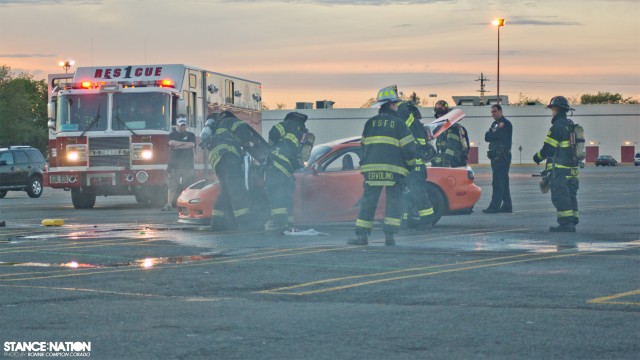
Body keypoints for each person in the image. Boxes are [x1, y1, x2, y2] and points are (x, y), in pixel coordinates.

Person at [349, 85, 416, 246]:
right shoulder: (399, 124)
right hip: (394, 171)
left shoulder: (370, 123)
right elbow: (409, 148)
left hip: (372, 171)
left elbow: (363, 146)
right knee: (394, 202)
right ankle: (390, 237)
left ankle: (362, 236)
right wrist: (410, 165)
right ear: (392, 105)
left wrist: (364, 166)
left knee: (368, 202)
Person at [533, 96, 580, 232]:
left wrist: (537, 157)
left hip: (560, 169)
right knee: (571, 196)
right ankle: (572, 221)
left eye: (552, 108)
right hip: (572, 170)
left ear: (557, 109)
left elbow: (548, 149)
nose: (552, 111)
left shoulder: (557, 127)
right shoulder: (570, 125)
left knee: (560, 196)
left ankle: (565, 224)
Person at [203, 111, 255, 231]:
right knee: (236, 189)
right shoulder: (231, 121)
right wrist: (248, 142)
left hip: (217, 160)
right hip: (228, 156)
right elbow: (244, 132)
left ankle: (217, 222)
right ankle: (244, 223)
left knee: (225, 190)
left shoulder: (216, 127)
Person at [264, 111, 309, 233]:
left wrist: (269, 148)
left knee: (276, 194)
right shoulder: (303, 132)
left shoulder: (287, 124)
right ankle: (289, 221)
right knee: (286, 196)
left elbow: (273, 133)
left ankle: (279, 223)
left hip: (277, 164)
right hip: (289, 169)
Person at [396, 101, 435, 230]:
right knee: (406, 194)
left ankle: (427, 221)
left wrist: (398, 103)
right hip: (408, 167)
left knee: (418, 193)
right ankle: (405, 221)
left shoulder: (412, 124)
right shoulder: (412, 126)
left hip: (415, 167)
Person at [483, 104, 513, 214]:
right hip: (495, 156)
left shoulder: (504, 124)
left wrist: (491, 134)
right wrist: (491, 134)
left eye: (494, 111)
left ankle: (494, 207)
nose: (493, 114)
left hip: (502, 156)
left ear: (500, 111)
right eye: (491, 112)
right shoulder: (495, 124)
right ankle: (507, 206)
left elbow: (494, 136)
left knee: (497, 182)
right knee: (503, 182)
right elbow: (487, 137)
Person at [162, 115, 196, 211]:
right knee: (172, 185)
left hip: (188, 165)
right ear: (177, 125)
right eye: (180, 125)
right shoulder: (172, 134)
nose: (182, 127)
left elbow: (192, 145)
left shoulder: (191, 135)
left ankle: (189, 204)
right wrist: (184, 144)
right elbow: (171, 143)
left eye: (184, 125)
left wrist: (178, 145)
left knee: (189, 185)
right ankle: (169, 204)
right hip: (174, 165)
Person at [431, 100, 469, 167]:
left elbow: (451, 147)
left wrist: (446, 162)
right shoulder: (448, 128)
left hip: (453, 164)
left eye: (440, 116)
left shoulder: (452, 128)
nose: (439, 118)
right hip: (456, 163)